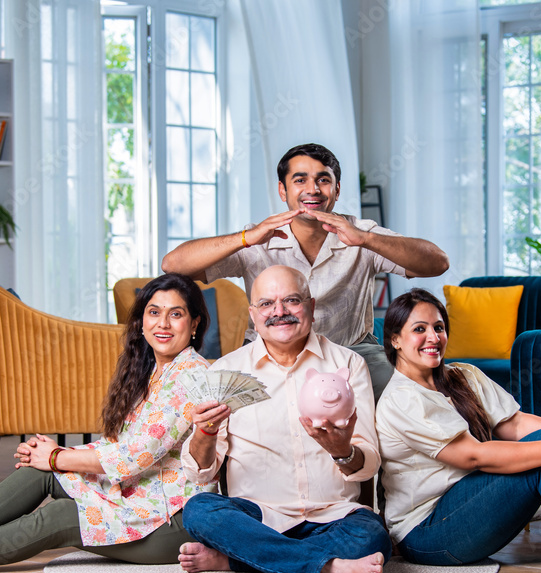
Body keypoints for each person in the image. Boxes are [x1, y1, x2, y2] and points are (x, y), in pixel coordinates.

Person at [0, 273, 218, 573]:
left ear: (194, 323)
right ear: (142, 321)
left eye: (176, 314)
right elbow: (116, 445)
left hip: (169, 522)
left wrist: (57, 456)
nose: (163, 323)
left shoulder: (191, 376)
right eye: (154, 312)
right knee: (42, 473)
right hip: (135, 497)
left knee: (60, 515)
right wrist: (52, 456)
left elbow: (132, 457)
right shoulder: (150, 371)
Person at [162, 143, 449, 401]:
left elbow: (438, 263)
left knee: (409, 397)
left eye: (323, 180)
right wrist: (245, 238)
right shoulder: (258, 238)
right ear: (282, 190)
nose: (312, 189)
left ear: (336, 190)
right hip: (271, 351)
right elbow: (173, 265)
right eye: (300, 180)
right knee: (232, 412)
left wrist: (366, 239)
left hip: (351, 351)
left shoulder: (362, 234)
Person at [177, 264, 392, 573]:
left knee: (372, 536)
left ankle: (237, 559)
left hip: (332, 516)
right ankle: (331, 567)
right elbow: (202, 473)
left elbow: (368, 464)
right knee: (198, 510)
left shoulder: (347, 364)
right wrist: (204, 433)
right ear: (253, 314)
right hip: (255, 518)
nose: (279, 312)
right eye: (266, 304)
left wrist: (343, 452)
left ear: (311, 306)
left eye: (291, 301)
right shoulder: (225, 370)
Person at [375, 288, 541, 565]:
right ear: (396, 339)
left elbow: (514, 423)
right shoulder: (402, 399)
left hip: (471, 501)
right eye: (419, 329)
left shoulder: (463, 375)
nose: (433, 338)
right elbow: (473, 456)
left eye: (439, 327)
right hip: (427, 532)